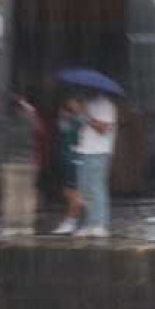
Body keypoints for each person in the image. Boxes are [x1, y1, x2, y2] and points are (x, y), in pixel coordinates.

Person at [72, 85, 116, 239]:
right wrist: (78, 111)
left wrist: (85, 114)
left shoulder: (106, 105)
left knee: (97, 188)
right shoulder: (88, 103)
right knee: (84, 190)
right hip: (84, 150)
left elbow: (103, 129)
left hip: (99, 152)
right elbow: (81, 125)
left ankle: (100, 224)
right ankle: (89, 224)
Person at [0, 93, 43, 238]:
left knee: (11, 196)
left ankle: (11, 226)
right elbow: (39, 130)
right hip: (28, 162)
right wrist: (29, 108)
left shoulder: (4, 121)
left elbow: (0, 143)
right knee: (27, 195)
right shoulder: (29, 120)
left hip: (9, 163)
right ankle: (26, 226)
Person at [51, 95, 86, 236]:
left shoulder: (82, 119)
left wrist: (77, 114)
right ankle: (76, 220)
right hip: (67, 156)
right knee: (68, 191)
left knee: (74, 192)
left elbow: (83, 128)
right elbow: (63, 129)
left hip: (77, 156)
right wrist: (64, 116)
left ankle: (72, 221)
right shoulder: (67, 119)